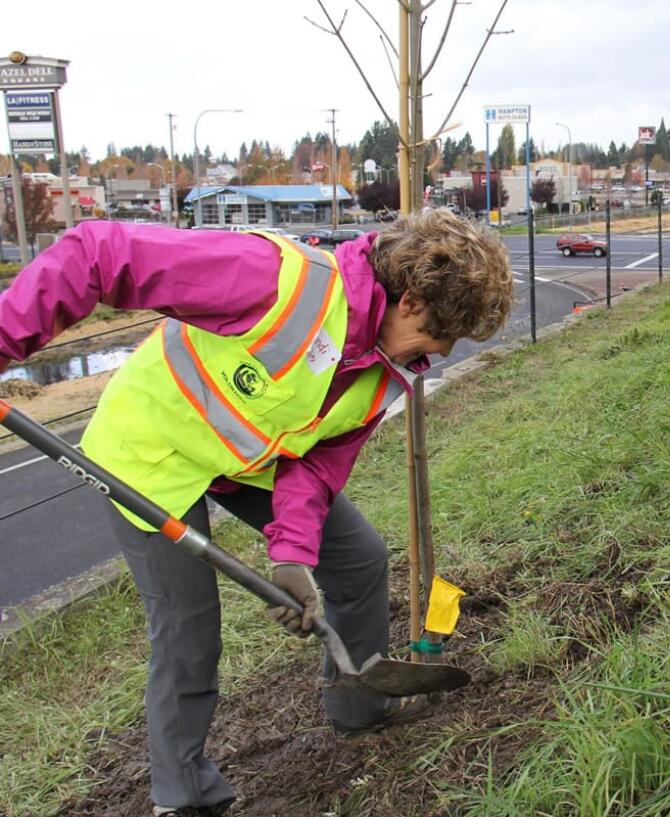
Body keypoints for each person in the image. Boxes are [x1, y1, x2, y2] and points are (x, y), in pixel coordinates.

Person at [0, 211, 514, 815]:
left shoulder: (389, 364)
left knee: (358, 559)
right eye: (441, 334)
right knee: (188, 628)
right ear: (409, 299)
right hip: (152, 450)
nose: (442, 352)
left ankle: (360, 701)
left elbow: (318, 465)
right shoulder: (276, 280)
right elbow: (98, 252)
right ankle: (183, 795)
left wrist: (292, 553)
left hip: (249, 456)